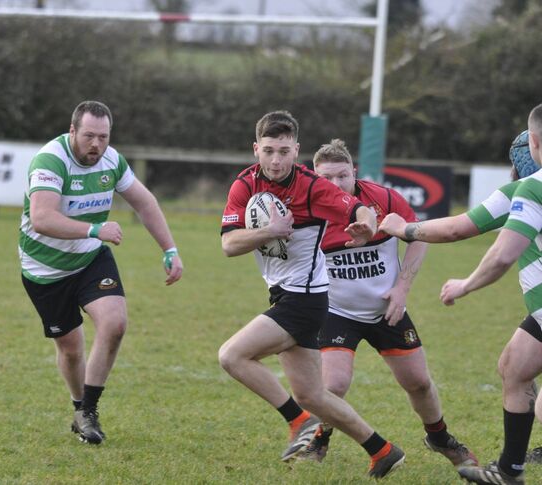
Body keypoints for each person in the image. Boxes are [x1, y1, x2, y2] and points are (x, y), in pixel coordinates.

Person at [219, 110, 405, 479]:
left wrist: (366, 228)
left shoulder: (311, 186)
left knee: (232, 355)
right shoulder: (245, 184)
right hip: (284, 294)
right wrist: (269, 230)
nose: (276, 160)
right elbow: (228, 245)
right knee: (313, 394)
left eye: (284, 151)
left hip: (305, 298)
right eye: (268, 150)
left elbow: (361, 209)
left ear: (296, 150)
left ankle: (299, 422)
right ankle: (382, 450)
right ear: (256, 149)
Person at [378, 107, 542, 485]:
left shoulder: (531, 188)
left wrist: (464, 283)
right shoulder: (523, 191)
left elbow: (496, 251)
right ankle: (508, 471)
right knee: (514, 367)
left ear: (532, 143)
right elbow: (458, 226)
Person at [19, 100, 183, 445]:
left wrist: (169, 249)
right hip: (45, 269)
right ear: (73, 131)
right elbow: (42, 218)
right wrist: (94, 230)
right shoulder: (50, 160)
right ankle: (79, 406)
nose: (96, 145)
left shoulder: (112, 160)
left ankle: (89, 411)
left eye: (104, 137)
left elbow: (144, 202)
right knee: (71, 348)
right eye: (89, 136)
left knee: (115, 323)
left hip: (91, 259)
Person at [310, 138, 477, 468]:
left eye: (342, 175)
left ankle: (440, 438)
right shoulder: (312, 213)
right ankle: (318, 439)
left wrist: (402, 288)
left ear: (353, 171)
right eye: (326, 178)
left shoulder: (383, 198)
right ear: (315, 178)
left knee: (418, 382)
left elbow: (420, 237)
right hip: (336, 311)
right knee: (333, 385)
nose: (335, 184)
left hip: (387, 307)